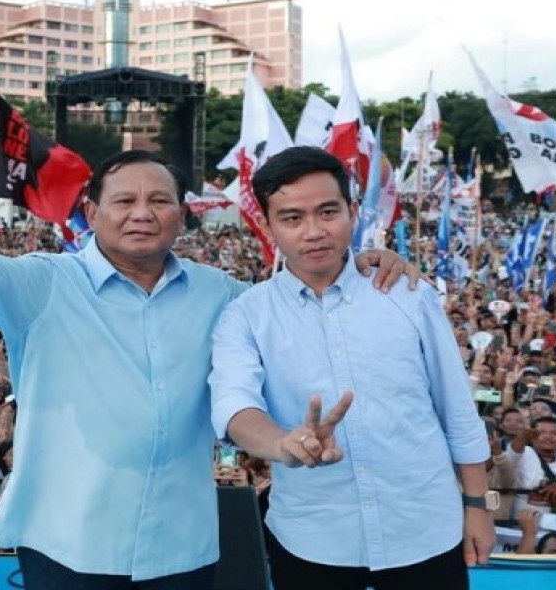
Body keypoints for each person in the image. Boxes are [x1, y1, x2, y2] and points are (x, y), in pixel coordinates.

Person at [0, 125, 414, 588]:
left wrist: (368, 263)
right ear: (91, 212)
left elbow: (299, 302)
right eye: (124, 200)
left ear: (183, 215)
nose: (142, 212)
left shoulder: (224, 295)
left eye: (159, 200)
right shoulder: (42, 284)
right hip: (68, 540)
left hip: (180, 543)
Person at [209, 146, 493, 590]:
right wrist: (284, 444)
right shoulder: (245, 315)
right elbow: (234, 406)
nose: (314, 231)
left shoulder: (407, 294)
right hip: (313, 537)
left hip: (424, 528)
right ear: (266, 225)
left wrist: (477, 503)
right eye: (292, 218)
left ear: (353, 211)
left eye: (328, 212)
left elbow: (456, 406)